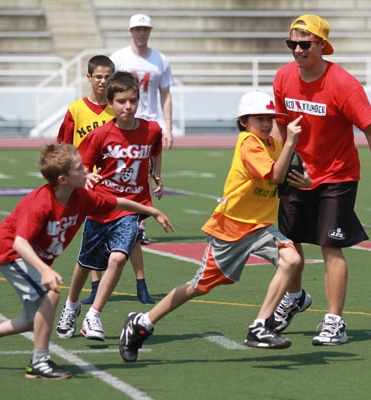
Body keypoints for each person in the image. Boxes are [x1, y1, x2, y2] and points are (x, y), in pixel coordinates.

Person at [117, 90, 311, 362]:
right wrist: (290, 142)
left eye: (269, 118)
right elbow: (277, 175)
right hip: (231, 228)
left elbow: (288, 173)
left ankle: (260, 326)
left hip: (259, 226)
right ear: (243, 122)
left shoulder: (271, 144)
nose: (266, 124)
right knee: (199, 286)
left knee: (292, 259)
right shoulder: (248, 143)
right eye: (259, 119)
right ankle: (143, 322)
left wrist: (304, 180)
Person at [0, 143, 173, 379]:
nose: (85, 169)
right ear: (63, 179)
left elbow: (116, 202)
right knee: (51, 294)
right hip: (11, 254)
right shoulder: (41, 203)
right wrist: (44, 270)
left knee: (34, 320)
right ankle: (39, 362)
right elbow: (19, 243)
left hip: (30, 256)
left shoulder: (81, 197)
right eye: (78, 168)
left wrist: (152, 211)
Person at [271, 14, 371, 346]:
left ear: (322, 46)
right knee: (289, 244)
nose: (297, 50)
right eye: (292, 43)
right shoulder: (283, 77)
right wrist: (277, 166)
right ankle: (295, 297)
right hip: (298, 172)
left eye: (305, 44)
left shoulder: (343, 84)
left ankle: (334, 321)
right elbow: (279, 126)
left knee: (331, 245)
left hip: (337, 175)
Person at [55, 71, 170, 342]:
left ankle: (94, 315)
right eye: (121, 101)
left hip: (132, 206)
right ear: (110, 103)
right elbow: (83, 163)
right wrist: (86, 176)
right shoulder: (101, 134)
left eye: (133, 100)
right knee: (86, 262)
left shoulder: (152, 129)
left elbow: (156, 149)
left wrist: (157, 174)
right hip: (102, 204)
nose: (128, 106)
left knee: (118, 258)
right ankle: (71, 306)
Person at [110, 13, 175, 245]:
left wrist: (168, 128)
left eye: (145, 29)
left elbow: (165, 94)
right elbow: (110, 92)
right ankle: (116, 220)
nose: (141, 33)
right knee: (119, 172)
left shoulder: (160, 60)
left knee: (144, 175)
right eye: (137, 29)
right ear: (130, 31)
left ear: (149, 32)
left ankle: (139, 225)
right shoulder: (119, 58)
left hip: (148, 124)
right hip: (123, 122)